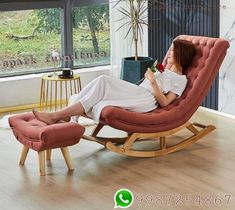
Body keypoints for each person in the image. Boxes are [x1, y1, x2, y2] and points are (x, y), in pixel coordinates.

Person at [33, 39, 196, 125]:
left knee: (103, 81)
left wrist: (153, 82)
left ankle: (57, 115)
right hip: (137, 91)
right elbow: (150, 76)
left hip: (146, 99)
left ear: (181, 55)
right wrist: (153, 71)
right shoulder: (163, 68)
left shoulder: (180, 80)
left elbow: (165, 103)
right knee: (100, 94)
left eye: (173, 51)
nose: (169, 53)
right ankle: (64, 115)